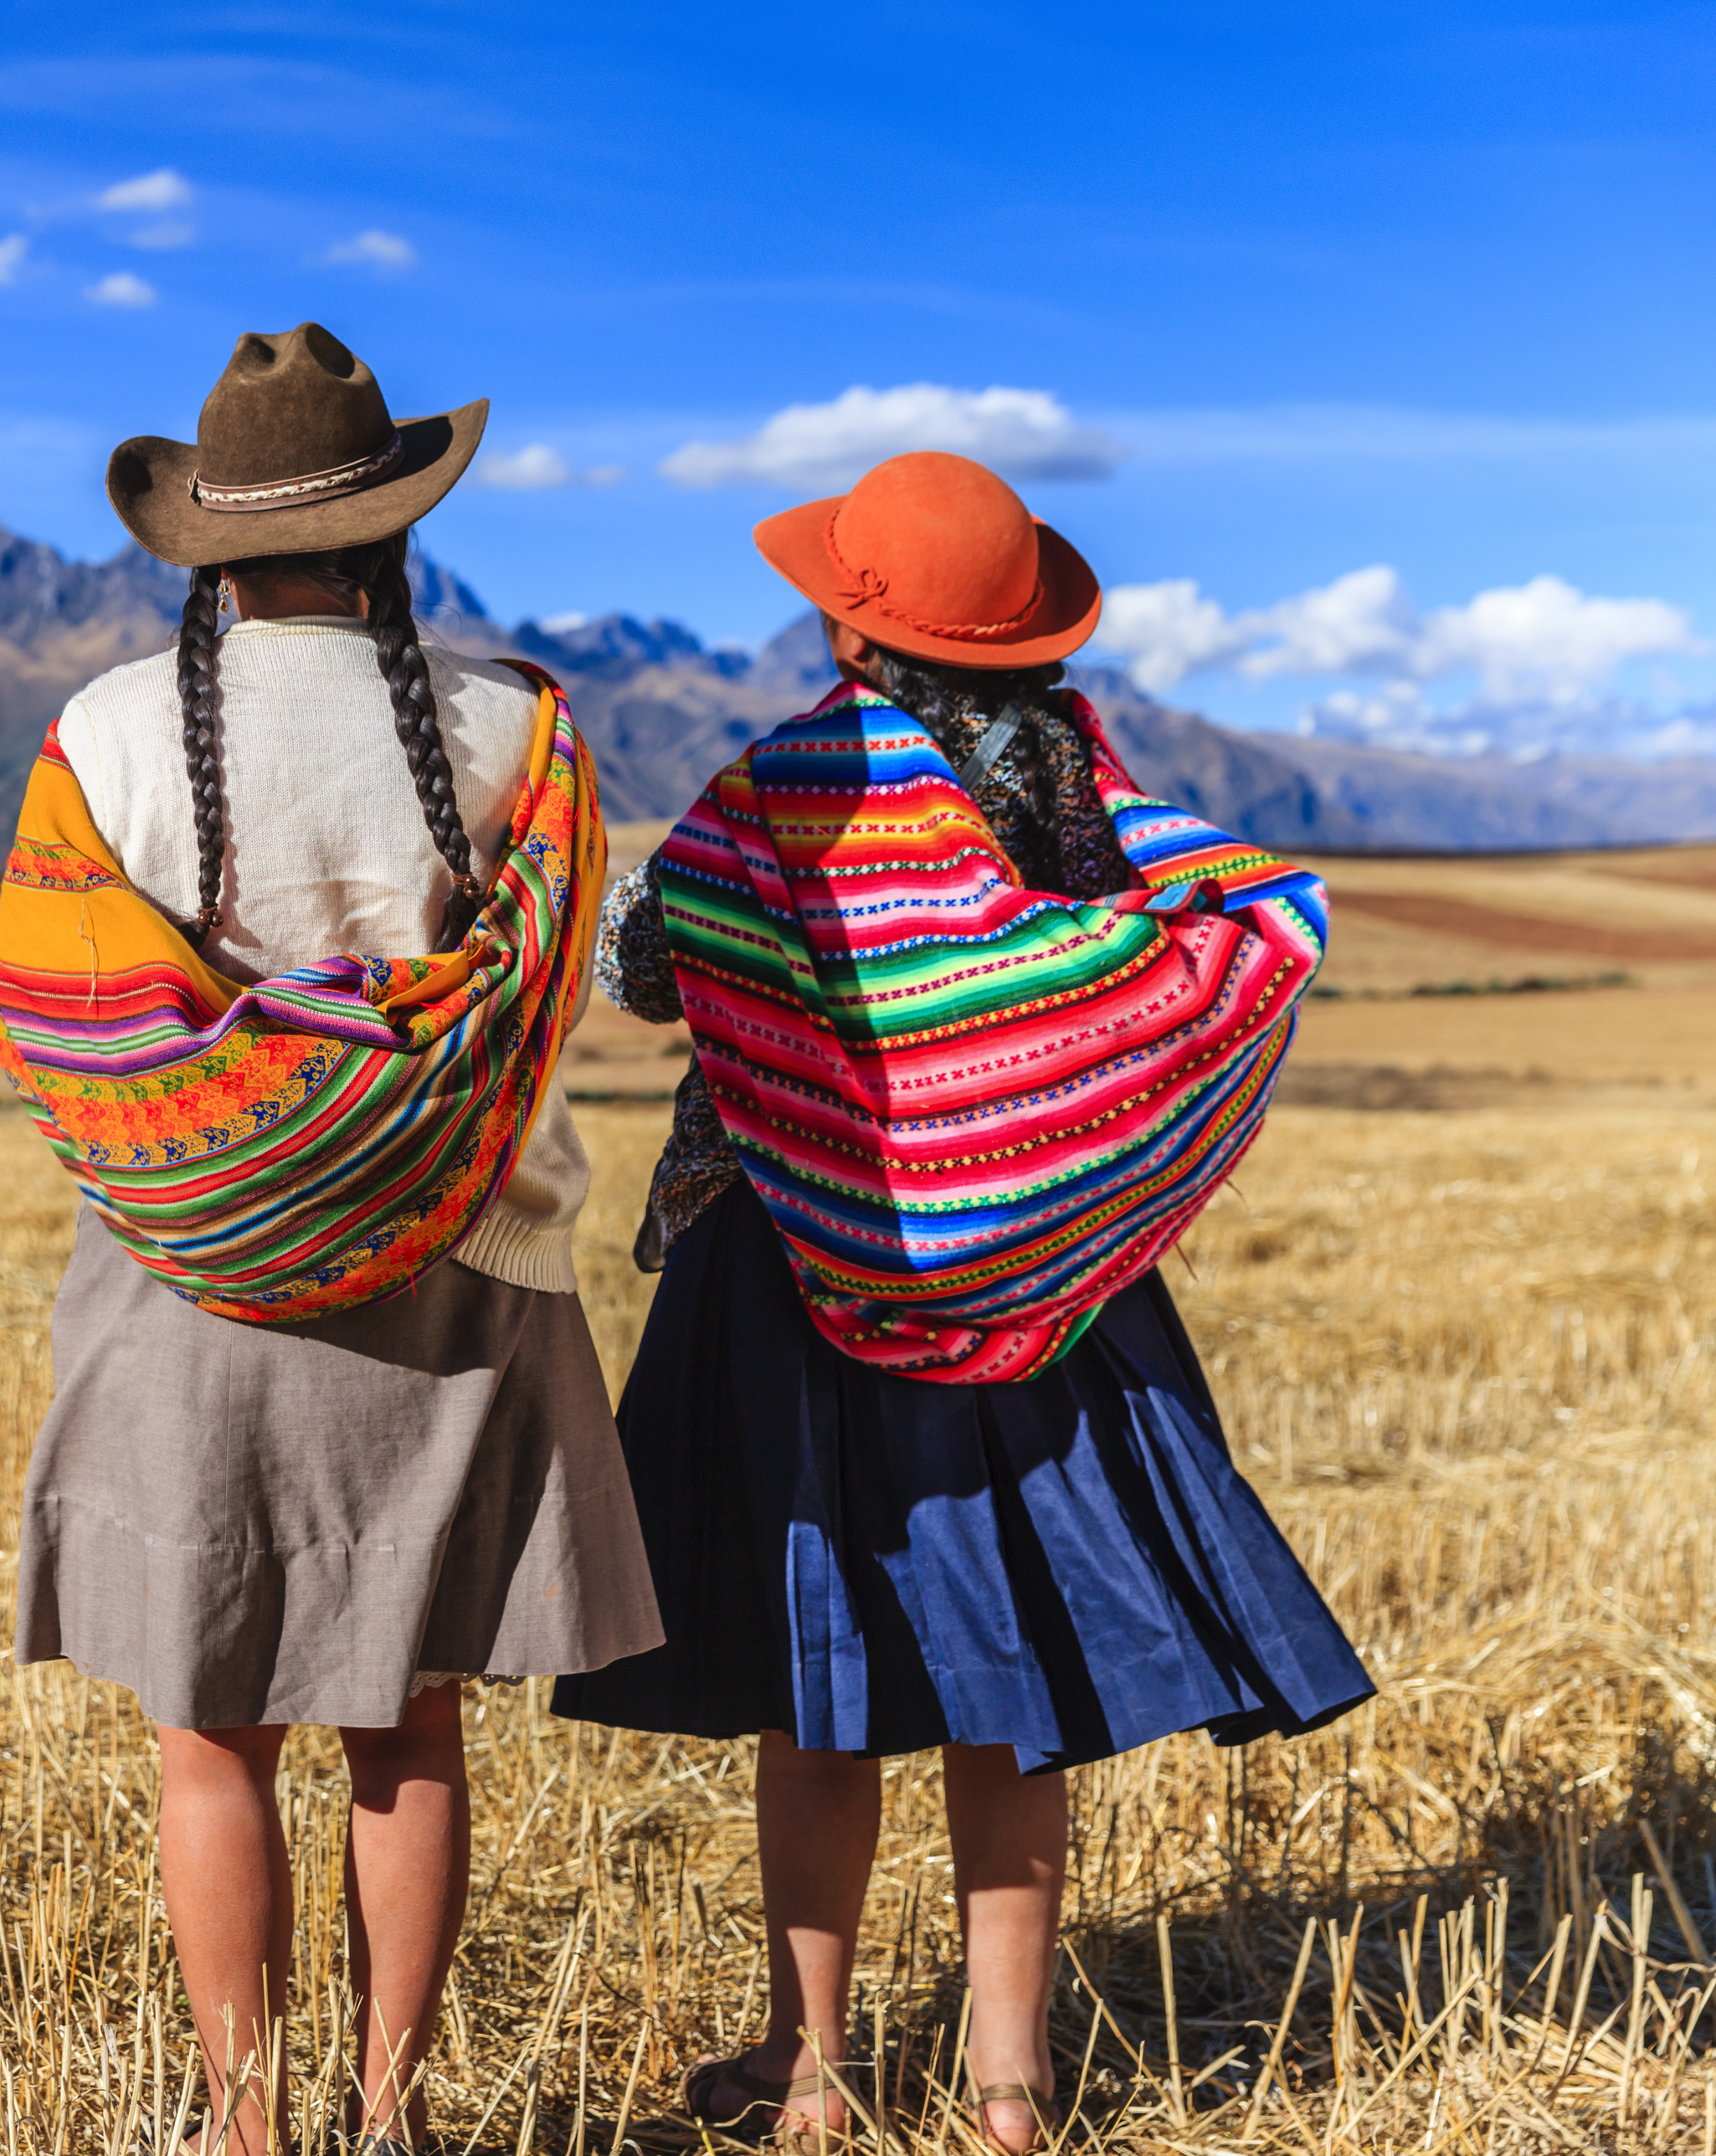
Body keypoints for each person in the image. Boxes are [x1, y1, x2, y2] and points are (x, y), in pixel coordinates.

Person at [551, 452, 1375, 2152]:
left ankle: (816, 2070)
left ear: (849, 618)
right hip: (1053, 1307)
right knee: (1015, 1695)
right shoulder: (1093, 798)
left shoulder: (779, 787)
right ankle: (1012, 2082)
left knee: (820, 1689)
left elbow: (648, 961)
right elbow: (1194, 954)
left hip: (787, 1277)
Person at [0, 323, 659, 2156]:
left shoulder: (105, 736)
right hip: (456, 1283)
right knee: (410, 1724)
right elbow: (564, 996)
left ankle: (243, 2125)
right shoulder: (518, 733)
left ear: (206, 543)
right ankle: (397, 2112)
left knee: (211, 1729)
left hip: (183, 1282)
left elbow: (53, 1018)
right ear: (393, 533)